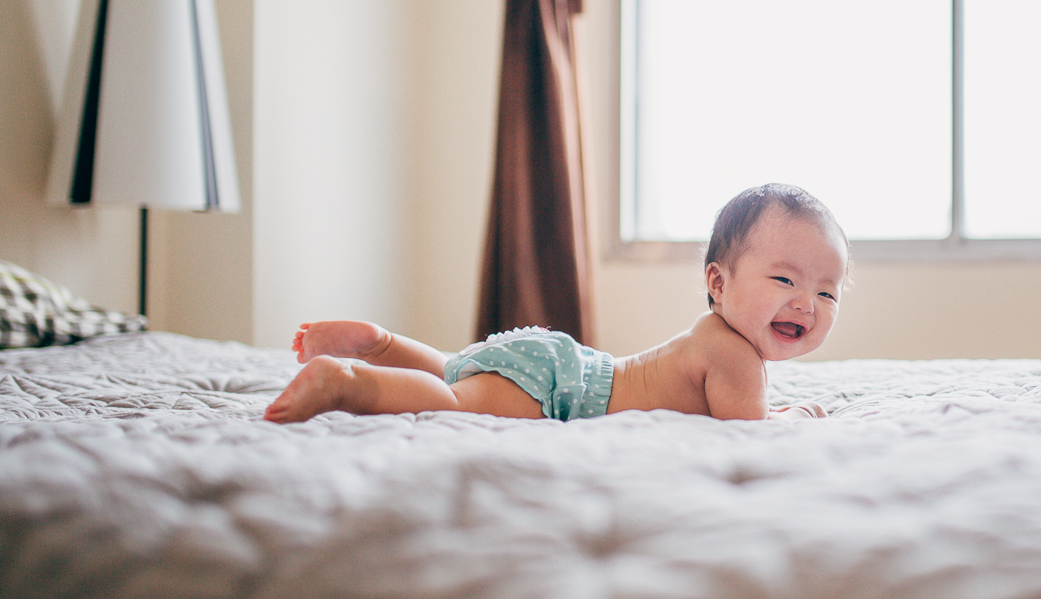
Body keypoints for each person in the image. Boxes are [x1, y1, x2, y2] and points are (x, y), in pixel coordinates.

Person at [262, 184, 847, 425]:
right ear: (718, 283)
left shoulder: (714, 336)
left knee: (454, 368)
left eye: (826, 291)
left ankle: (385, 344)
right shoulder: (736, 358)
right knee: (454, 400)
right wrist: (801, 418)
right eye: (784, 280)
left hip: (560, 362)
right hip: (566, 390)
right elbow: (752, 433)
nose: (806, 304)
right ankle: (350, 381)